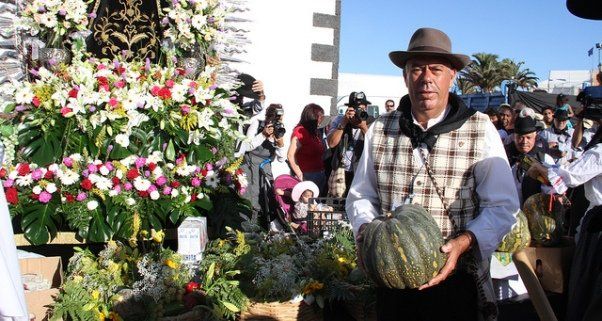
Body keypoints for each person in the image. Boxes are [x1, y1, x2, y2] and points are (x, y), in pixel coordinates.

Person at [347, 27, 518, 321]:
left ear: (452, 76)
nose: (426, 78)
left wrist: (465, 241)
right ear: (405, 76)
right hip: (393, 284)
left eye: (436, 70)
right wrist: (365, 232)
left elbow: (502, 207)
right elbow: (362, 195)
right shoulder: (380, 129)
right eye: (416, 69)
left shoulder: (480, 129)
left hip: (457, 282)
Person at [527, 104, 602, 321]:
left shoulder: (599, 152)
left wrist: (541, 169)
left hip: (599, 235)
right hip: (594, 226)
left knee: (590, 293)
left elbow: (571, 176)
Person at [239, 103, 286, 224]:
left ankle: (263, 226)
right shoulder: (257, 124)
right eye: (274, 117)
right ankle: (247, 227)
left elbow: (281, 159)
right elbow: (247, 146)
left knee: (266, 197)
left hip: (265, 167)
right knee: (249, 197)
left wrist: (280, 143)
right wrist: (263, 135)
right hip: (249, 164)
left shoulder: (280, 129)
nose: (277, 121)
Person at [326, 91, 374, 196]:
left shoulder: (372, 122)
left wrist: (363, 127)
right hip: (342, 171)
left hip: (362, 172)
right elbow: (331, 143)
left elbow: (375, 147)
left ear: (366, 107)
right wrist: (343, 122)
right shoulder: (340, 120)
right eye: (355, 108)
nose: (358, 112)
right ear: (349, 108)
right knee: (339, 201)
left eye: (361, 108)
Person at [505, 113, 554, 205]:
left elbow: (551, 188)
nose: (524, 142)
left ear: (535, 137)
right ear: (513, 137)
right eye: (520, 137)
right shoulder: (504, 157)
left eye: (528, 137)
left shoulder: (544, 159)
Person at [287, 104, 327, 191]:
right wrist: (300, 175)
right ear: (313, 117)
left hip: (318, 174)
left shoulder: (314, 131)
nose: (322, 119)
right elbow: (290, 155)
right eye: (320, 117)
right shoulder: (301, 131)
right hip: (307, 175)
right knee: (308, 203)